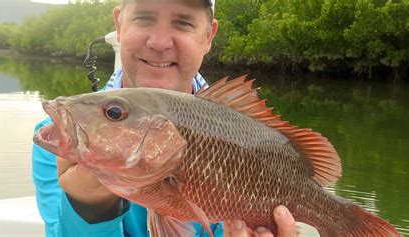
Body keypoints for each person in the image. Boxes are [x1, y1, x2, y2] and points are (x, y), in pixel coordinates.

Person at [32, 0, 298, 236]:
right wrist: (88, 206)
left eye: (182, 22)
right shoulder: (58, 140)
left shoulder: (246, 126)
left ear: (208, 37)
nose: (159, 42)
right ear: (119, 25)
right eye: (144, 17)